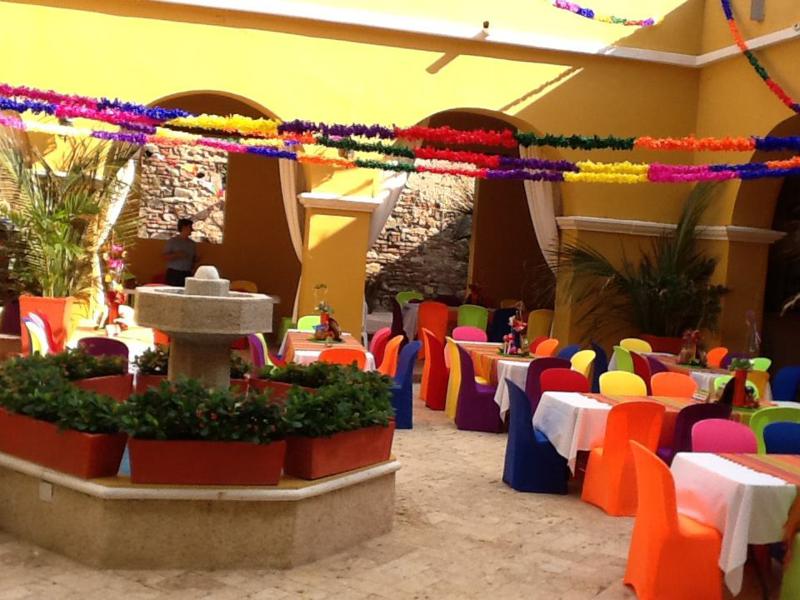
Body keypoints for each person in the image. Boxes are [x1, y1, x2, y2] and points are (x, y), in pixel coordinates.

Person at [163, 218, 197, 286]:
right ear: (184, 228)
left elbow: (193, 259)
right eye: (190, 227)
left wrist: (196, 260)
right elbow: (164, 256)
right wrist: (176, 255)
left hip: (187, 273)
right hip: (174, 273)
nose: (192, 230)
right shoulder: (172, 241)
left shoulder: (192, 244)